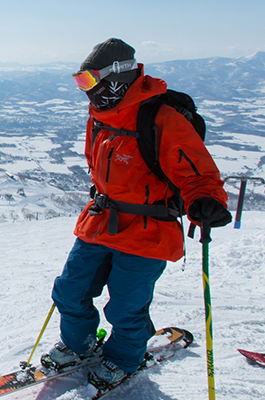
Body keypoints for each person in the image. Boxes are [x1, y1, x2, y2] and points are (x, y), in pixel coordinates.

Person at [40, 38, 231, 392]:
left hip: (147, 229)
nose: (86, 91)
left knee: (127, 306)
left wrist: (205, 200)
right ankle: (80, 346)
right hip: (101, 221)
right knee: (69, 290)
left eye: (89, 81)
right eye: (81, 82)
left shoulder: (161, 117)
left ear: (117, 77)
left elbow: (198, 172)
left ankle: (124, 358)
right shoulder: (99, 116)